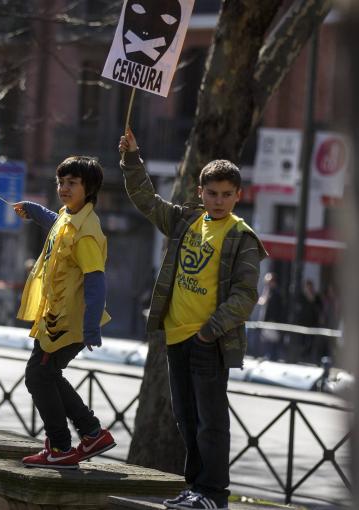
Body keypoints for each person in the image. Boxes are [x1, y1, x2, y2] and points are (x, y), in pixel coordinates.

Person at [119, 129, 266, 510]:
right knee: (186, 419)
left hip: (209, 342)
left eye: (226, 194)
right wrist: (132, 158)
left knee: (211, 423)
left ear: (238, 196)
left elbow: (245, 296)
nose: (218, 200)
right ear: (200, 192)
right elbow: (145, 201)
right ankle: (195, 490)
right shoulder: (186, 221)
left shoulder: (241, 237)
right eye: (212, 193)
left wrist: (209, 332)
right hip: (175, 338)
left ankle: (213, 496)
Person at [13, 156, 116, 469]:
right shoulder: (70, 218)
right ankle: (92, 433)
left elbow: (96, 281)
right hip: (55, 318)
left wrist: (91, 327)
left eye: (72, 183)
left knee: (38, 376)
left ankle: (60, 447)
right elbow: (56, 223)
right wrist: (33, 210)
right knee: (46, 374)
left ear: (89, 188)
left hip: (69, 323)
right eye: (61, 182)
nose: (64, 188)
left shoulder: (86, 231)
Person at [258, 272, 286, 361]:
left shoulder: (276, 293)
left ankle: (273, 356)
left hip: (273, 321)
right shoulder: (267, 291)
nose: (267, 284)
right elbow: (261, 301)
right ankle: (269, 355)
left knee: (273, 340)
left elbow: (276, 308)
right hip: (268, 320)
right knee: (267, 339)